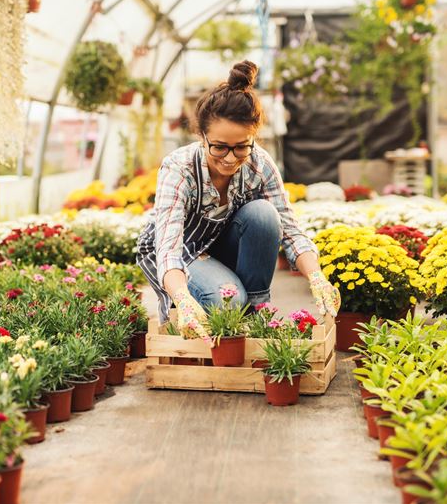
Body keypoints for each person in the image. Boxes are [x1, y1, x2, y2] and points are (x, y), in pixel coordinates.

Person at [136, 60, 340, 344]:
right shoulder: (179, 168)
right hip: (183, 251)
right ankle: (204, 301)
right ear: (201, 136)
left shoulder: (260, 165)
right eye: (219, 147)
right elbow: (168, 245)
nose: (230, 158)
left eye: (242, 146)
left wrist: (317, 277)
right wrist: (181, 297)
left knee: (264, 215)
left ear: (254, 137)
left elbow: (290, 230)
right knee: (228, 302)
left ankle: (257, 310)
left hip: (220, 243)